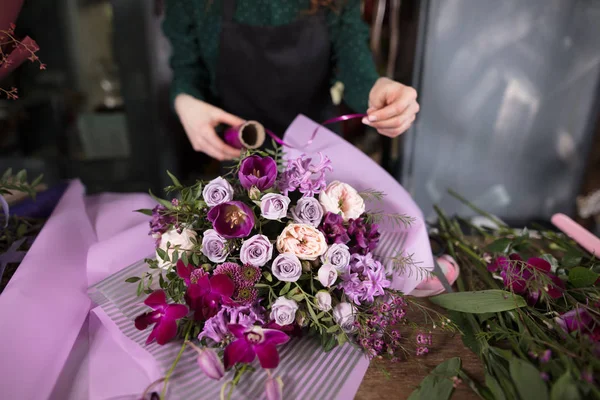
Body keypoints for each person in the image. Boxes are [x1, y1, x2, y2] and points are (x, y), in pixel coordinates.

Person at [163, 0, 420, 161]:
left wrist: (378, 91)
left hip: (318, 155)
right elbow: (187, 71)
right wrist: (184, 101)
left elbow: (354, 65)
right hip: (238, 156)